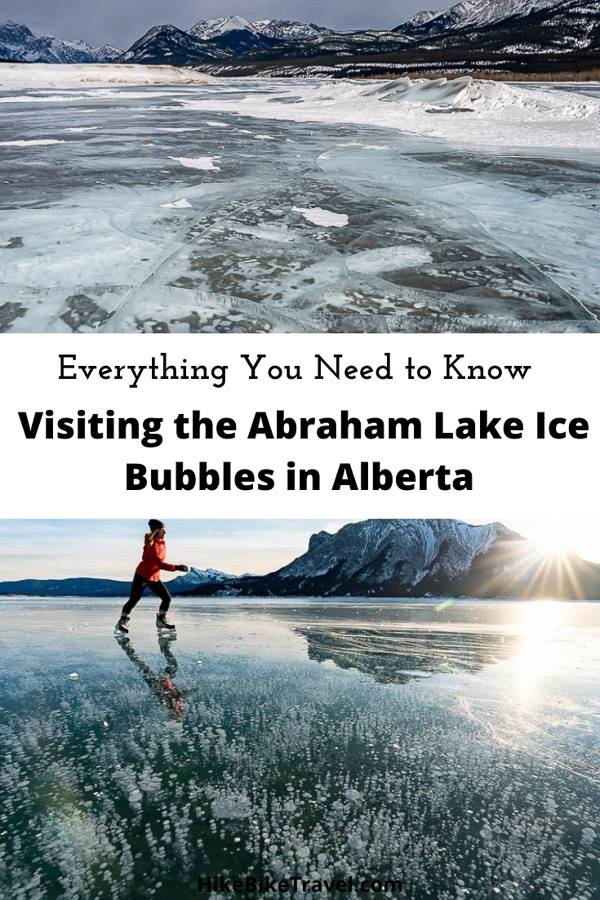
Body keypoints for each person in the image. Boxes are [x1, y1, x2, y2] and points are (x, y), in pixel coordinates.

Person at [115, 519, 188, 635]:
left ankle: (161, 621)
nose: (165, 533)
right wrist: (177, 567)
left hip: (153, 576)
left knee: (167, 598)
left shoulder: (161, 543)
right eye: (163, 530)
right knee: (134, 599)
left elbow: (158, 564)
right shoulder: (151, 544)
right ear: (158, 530)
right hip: (142, 575)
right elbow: (159, 564)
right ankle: (122, 621)